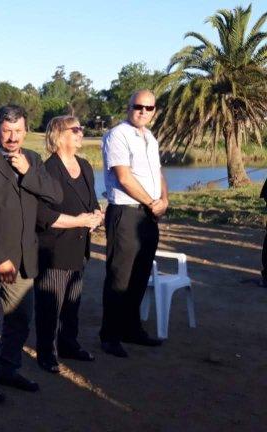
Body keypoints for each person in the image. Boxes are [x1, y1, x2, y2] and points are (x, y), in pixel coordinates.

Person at [0, 105, 62, 403]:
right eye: (6, 131)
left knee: (20, 319)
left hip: (24, 258)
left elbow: (55, 195)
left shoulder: (32, 159)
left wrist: (28, 172)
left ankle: (8, 369)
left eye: (18, 131)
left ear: (25, 130)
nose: (12, 138)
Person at [100, 89, 168, 358]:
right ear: (128, 107)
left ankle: (131, 328)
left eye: (149, 108)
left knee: (140, 273)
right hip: (126, 213)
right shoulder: (118, 135)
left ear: (155, 111)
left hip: (148, 214)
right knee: (120, 275)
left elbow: (158, 172)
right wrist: (153, 203)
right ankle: (110, 334)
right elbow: (124, 178)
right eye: (138, 106)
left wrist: (164, 198)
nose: (143, 111)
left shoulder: (150, 137)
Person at [34, 116, 103, 373]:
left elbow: (92, 201)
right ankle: (46, 352)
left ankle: (69, 344)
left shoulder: (84, 165)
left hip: (79, 246)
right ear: (59, 135)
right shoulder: (48, 170)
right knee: (50, 304)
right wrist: (78, 221)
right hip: (54, 248)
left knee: (72, 301)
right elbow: (43, 215)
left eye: (81, 129)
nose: (81, 133)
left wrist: (97, 215)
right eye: (75, 130)